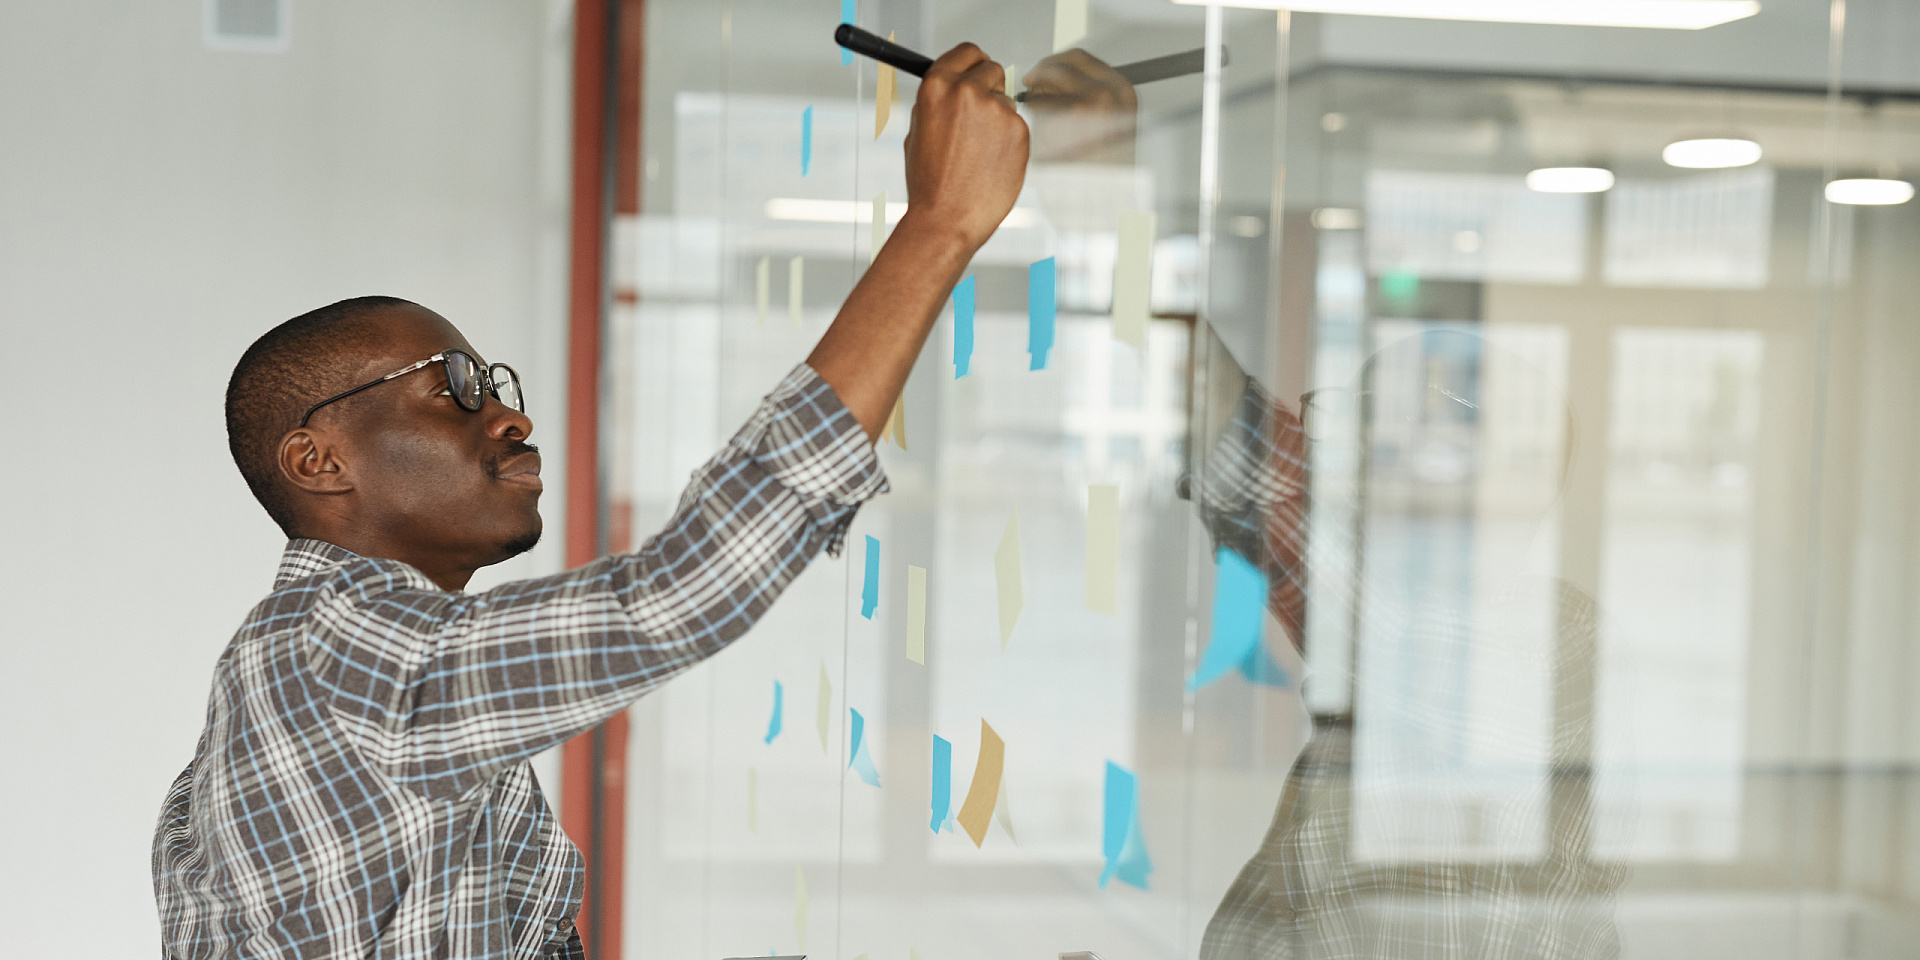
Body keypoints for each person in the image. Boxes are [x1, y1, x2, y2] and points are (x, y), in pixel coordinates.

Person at [152, 43, 1028, 960]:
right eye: (453, 387)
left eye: (496, 383)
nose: (512, 418)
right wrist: (939, 224)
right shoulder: (338, 651)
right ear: (318, 460)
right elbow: (673, 597)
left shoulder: (326, 659)